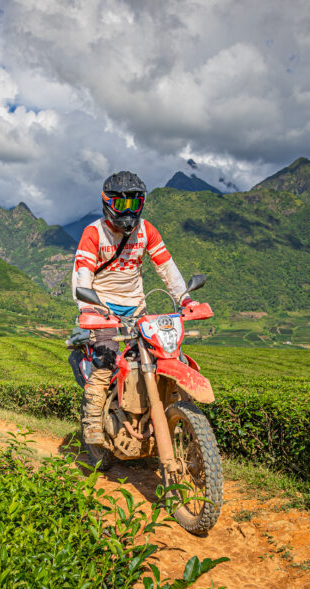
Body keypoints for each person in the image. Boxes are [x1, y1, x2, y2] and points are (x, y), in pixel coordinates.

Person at [72, 171, 193, 445]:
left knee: (169, 356)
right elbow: (83, 276)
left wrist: (186, 299)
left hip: (137, 307)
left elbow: (166, 268)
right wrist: (88, 309)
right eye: (121, 204)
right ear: (107, 203)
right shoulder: (94, 234)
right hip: (103, 309)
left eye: (134, 204)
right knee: (105, 361)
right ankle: (92, 423)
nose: (128, 211)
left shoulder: (146, 231)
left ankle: (179, 419)